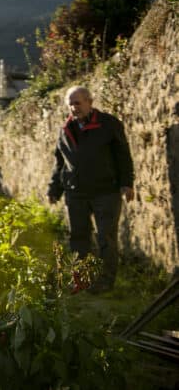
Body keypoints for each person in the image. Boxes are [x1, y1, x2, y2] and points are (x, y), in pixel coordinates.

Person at [47, 86, 134, 293]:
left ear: (89, 102)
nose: (74, 107)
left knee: (106, 238)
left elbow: (123, 155)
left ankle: (105, 282)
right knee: (78, 238)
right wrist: (54, 189)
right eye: (70, 103)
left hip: (106, 191)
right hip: (76, 193)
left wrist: (127, 183)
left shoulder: (109, 124)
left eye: (78, 102)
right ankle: (80, 281)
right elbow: (60, 163)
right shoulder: (64, 130)